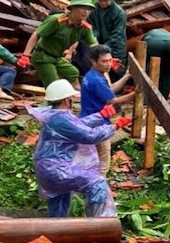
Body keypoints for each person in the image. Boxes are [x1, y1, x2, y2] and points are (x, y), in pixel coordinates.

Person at [26, 79, 132, 218]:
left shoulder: (56, 116)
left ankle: (55, 234)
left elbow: (78, 124)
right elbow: (89, 135)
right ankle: (101, 224)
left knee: (59, 204)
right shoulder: (60, 120)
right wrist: (114, 126)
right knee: (97, 183)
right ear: (66, 99)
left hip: (49, 169)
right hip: (57, 169)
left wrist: (101, 115)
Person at [18, 0, 98, 87]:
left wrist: (106, 58)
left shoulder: (85, 28)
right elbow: (37, 34)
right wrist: (25, 55)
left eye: (89, 9)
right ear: (72, 8)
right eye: (83, 8)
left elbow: (94, 45)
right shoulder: (57, 20)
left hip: (57, 58)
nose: (86, 12)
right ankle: (57, 98)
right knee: (54, 86)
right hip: (43, 56)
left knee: (73, 72)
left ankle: (75, 93)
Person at [80, 45, 135, 174]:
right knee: (104, 163)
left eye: (109, 60)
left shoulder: (92, 75)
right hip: (99, 125)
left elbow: (109, 91)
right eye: (104, 61)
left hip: (86, 120)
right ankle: (99, 189)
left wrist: (126, 76)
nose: (108, 64)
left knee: (90, 160)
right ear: (93, 61)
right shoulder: (97, 80)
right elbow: (112, 100)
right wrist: (133, 95)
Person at [89, 0, 128, 81]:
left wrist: (104, 47)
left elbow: (117, 34)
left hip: (116, 46)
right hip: (99, 44)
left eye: (106, 0)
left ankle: (117, 89)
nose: (103, 2)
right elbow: (91, 27)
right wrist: (95, 39)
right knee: (99, 68)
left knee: (116, 69)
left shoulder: (119, 13)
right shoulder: (93, 11)